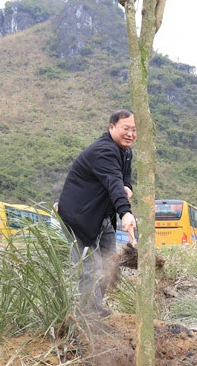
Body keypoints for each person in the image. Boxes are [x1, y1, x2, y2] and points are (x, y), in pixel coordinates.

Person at [57, 109, 137, 317]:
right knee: (89, 267)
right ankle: (87, 316)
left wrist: (127, 187)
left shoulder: (125, 152)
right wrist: (125, 213)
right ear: (112, 127)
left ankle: (96, 308)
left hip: (100, 217)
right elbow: (113, 182)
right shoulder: (103, 151)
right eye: (125, 129)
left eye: (134, 130)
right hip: (78, 218)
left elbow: (122, 180)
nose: (130, 134)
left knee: (109, 263)